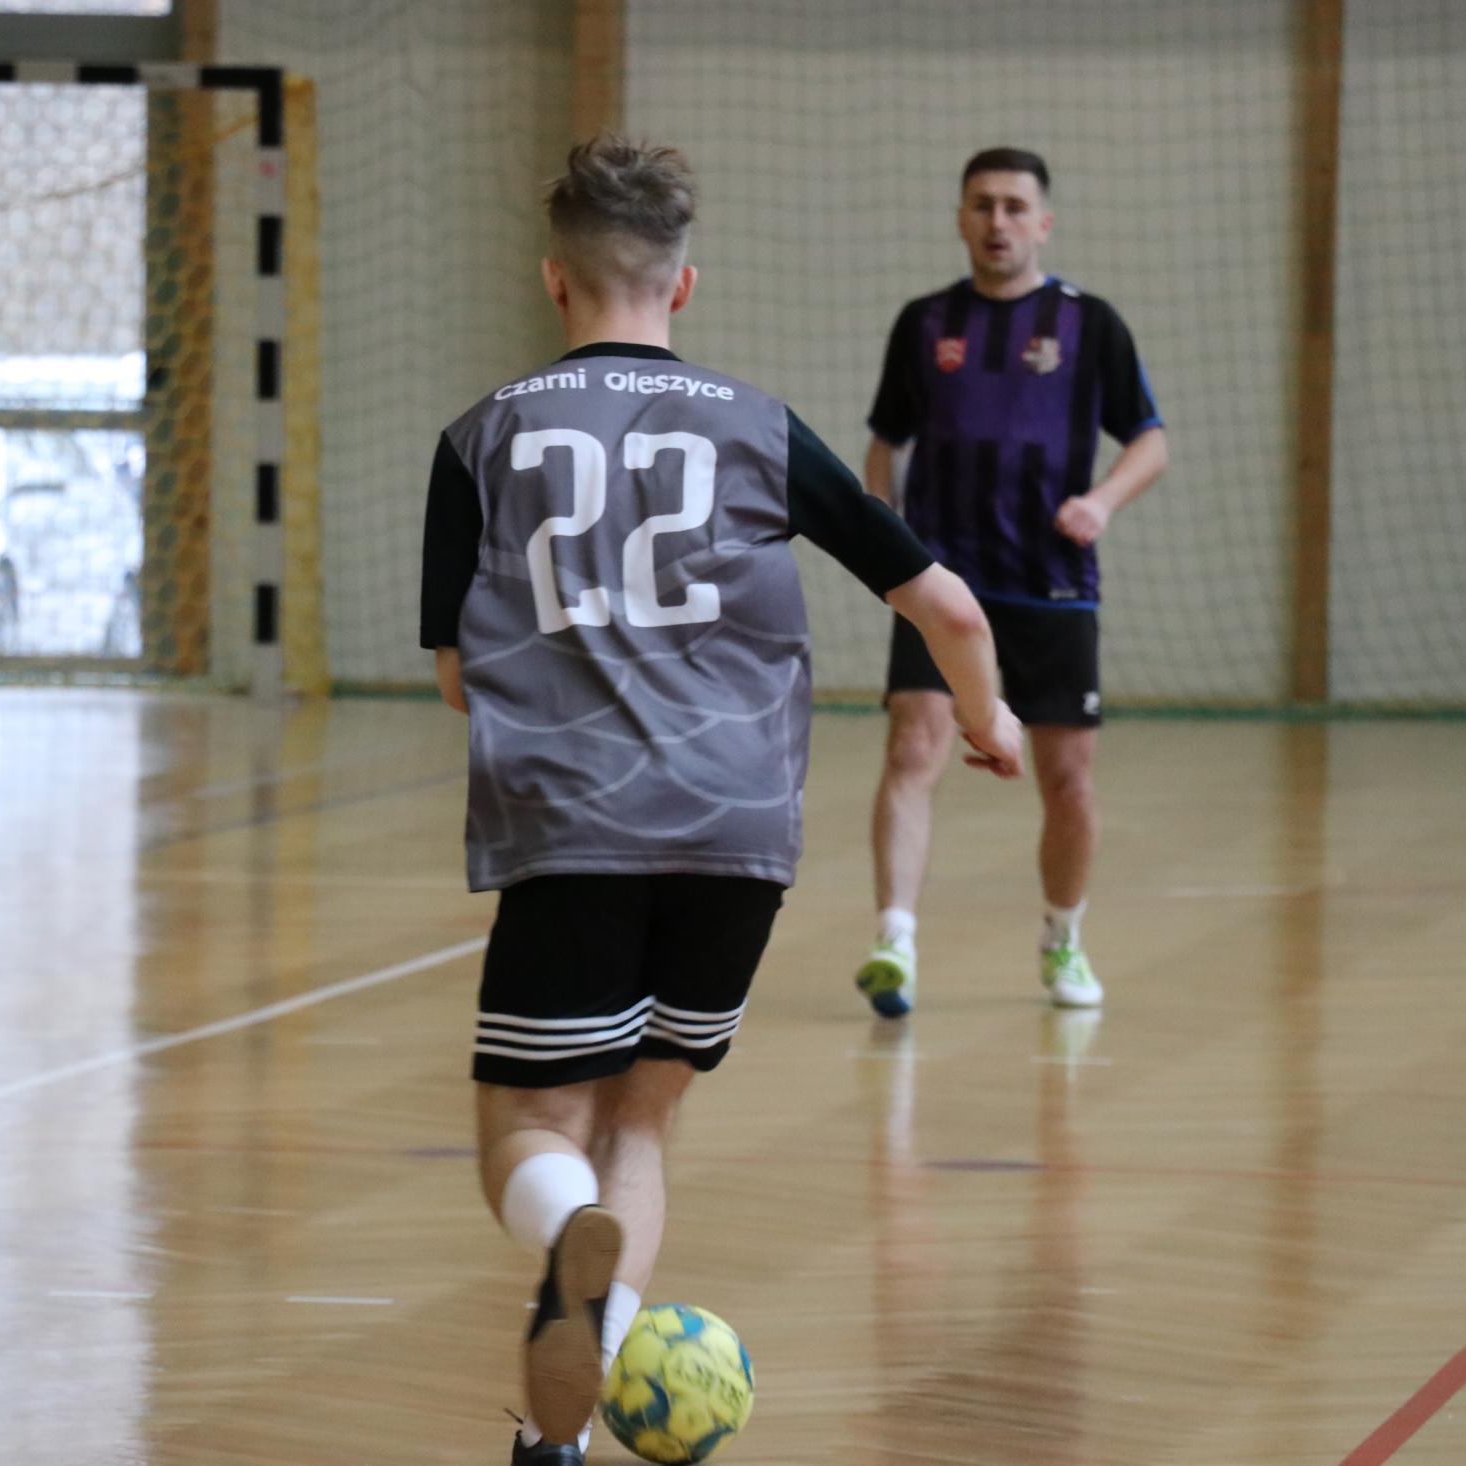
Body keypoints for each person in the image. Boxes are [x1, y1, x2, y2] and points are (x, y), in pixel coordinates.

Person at [419, 134, 1022, 1466]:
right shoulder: (758, 425)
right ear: (682, 284)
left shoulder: (481, 438)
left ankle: (564, 1235)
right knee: (643, 1111)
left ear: (552, 278)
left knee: (531, 1126)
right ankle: (559, 1436)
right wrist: (986, 718)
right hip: (737, 835)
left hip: (573, 823)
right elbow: (949, 607)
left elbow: (461, 675)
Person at [853, 146, 1169, 1018]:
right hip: (943, 583)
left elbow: (1150, 439)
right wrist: (885, 535)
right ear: (961, 218)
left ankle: (1063, 936)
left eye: (1014, 206)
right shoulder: (925, 324)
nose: (998, 221)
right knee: (913, 749)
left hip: (1052, 584)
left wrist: (1101, 501)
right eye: (983, 204)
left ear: (1043, 223)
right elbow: (885, 442)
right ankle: (894, 942)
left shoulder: (1089, 324)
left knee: (1067, 779)